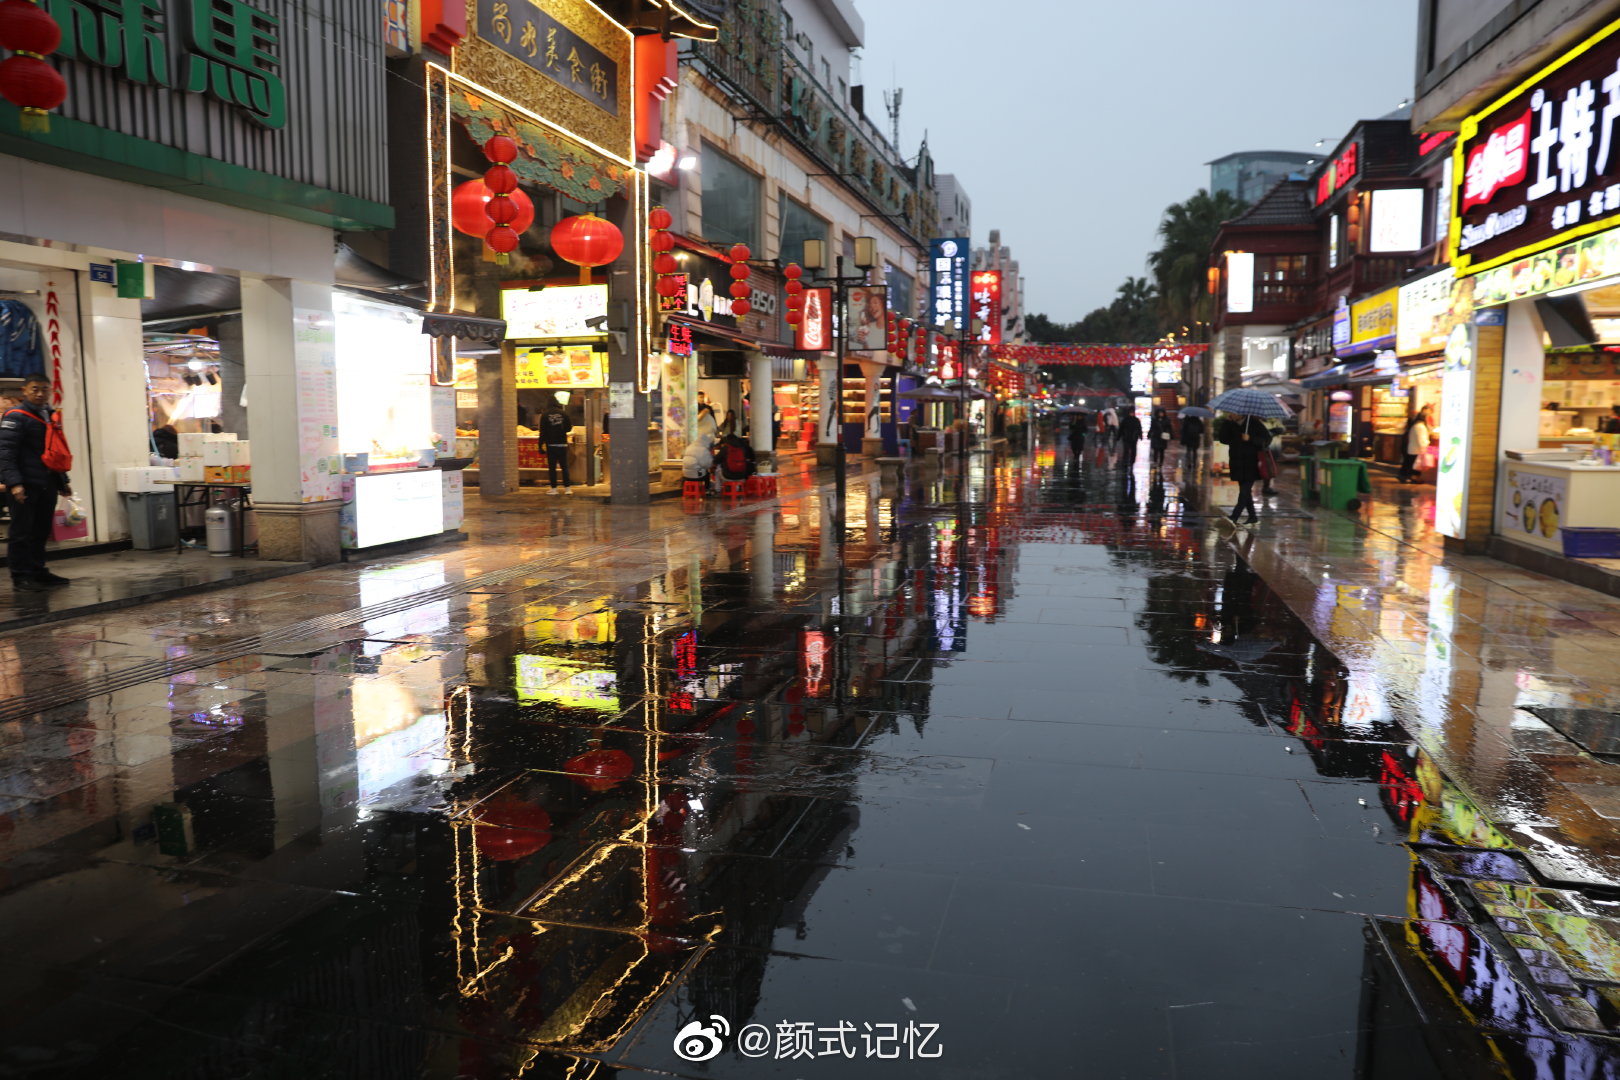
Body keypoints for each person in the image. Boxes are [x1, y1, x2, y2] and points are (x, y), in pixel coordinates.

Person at [0, 373, 73, 590]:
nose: (40, 393)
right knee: (21, 532)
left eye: (44, 389)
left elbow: (53, 450)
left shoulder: (49, 414)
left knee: (40, 530)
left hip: (46, 482)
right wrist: (14, 484)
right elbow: (5, 453)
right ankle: (20, 576)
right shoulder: (15, 416)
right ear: (24, 391)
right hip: (25, 484)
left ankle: (38, 570)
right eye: (35, 389)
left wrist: (62, 481)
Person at [1218, 413, 1272, 525]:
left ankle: (1234, 516)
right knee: (1245, 492)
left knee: (1244, 491)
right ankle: (1253, 516)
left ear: (1241, 414)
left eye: (1234, 413)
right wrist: (1226, 423)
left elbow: (1267, 439)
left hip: (1251, 462)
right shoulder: (1230, 423)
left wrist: (1251, 439)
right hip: (1236, 462)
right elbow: (1223, 439)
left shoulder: (1254, 423)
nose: (1232, 414)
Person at [538, 395, 572, 494]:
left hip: (551, 445)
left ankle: (554, 489)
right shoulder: (564, 414)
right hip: (562, 444)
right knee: (564, 467)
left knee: (552, 467)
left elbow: (542, 432)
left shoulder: (545, 415)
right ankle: (568, 489)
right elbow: (568, 429)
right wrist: (560, 430)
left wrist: (540, 445)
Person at [1399, 405, 1433, 483]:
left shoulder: (1415, 425)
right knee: (1415, 465)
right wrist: (1427, 445)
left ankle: (1409, 477)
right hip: (1416, 450)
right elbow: (1422, 440)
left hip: (1413, 448)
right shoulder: (1420, 427)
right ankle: (1413, 478)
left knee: (1411, 464)